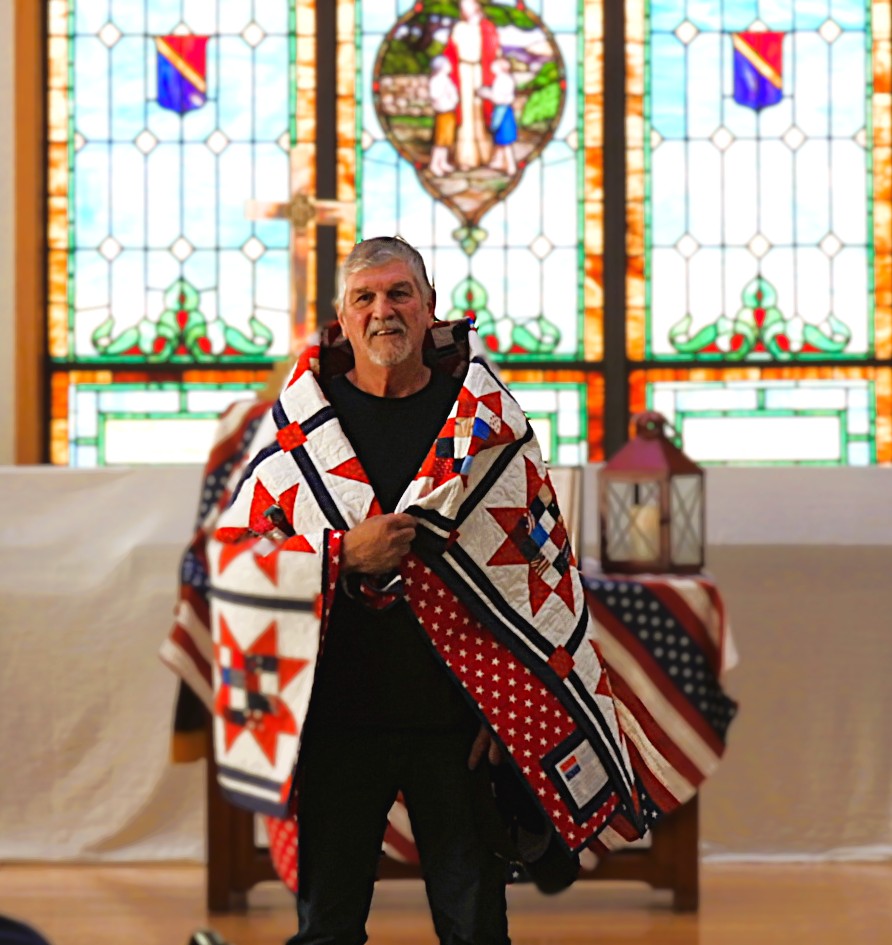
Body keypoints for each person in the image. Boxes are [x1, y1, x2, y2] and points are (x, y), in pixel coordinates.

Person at [207, 237, 642, 945]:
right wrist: (343, 554)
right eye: (365, 298)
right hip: (337, 718)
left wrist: (513, 703)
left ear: (430, 307)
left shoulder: (485, 424)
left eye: (399, 292)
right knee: (327, 929)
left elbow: (539, 570)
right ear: (342, 319)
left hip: (458, 722)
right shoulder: (298, 434)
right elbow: (236, 563)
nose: (383, 310)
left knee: (475, 929)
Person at [443, 0, 499, 169]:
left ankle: (485, 154)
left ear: (476, 5)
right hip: (463, 72)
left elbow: (494, 52)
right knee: (466, 112)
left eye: (467, 4)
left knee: (480, 110)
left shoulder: (487, 27)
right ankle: (466, 158)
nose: (464, 8)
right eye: (462, 5)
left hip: (481, 71)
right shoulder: (458, 28)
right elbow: (450, 53)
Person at [477, 57, 519, 176]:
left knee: (505, 141)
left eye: (494, 65)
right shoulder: (505, 78)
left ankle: (511, 166)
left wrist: (486, 94)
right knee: (500, 139)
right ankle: (498, 162)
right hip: (504, 111)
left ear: (499, 67)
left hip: (503, 112)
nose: (492, 66)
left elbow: (498, 97)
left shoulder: (502, 79)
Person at [428, 56, 459, 177]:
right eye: (447, 65)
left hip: (449, 111)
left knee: (447, 139)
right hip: (442, 112)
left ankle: (443, 162)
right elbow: (434, 95)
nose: (450, 67)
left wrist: (453, 98)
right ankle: (434, 164)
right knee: (440, 141)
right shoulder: (436, 80)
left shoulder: (446, 79)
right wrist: (445, 91)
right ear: (441, 67)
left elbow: (453, 93)